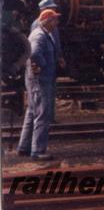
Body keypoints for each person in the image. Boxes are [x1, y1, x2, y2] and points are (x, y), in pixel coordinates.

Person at [17, 8, 61, 159]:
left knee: (32, 112)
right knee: (43, 113)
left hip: (38, 78)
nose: (57, 22)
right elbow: (34, 53)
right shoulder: (40, 36)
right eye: (55, 19)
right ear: (48, 21)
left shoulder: (44, 34)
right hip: (40, 79)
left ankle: (24, 147)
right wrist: (43, 65)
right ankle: (38, 151)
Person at [31, 0, 65, 120]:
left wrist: (60, 56)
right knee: (43, 92)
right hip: (44, 63)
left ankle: (50, 117)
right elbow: (35, 49)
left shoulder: (53, 24)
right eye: (52, 8)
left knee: (51, 90)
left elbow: (56, 42)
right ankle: (43, 117)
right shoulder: (37, 25)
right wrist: (42, 64)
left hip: (51, 61)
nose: (54, 10)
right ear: (44, 10)